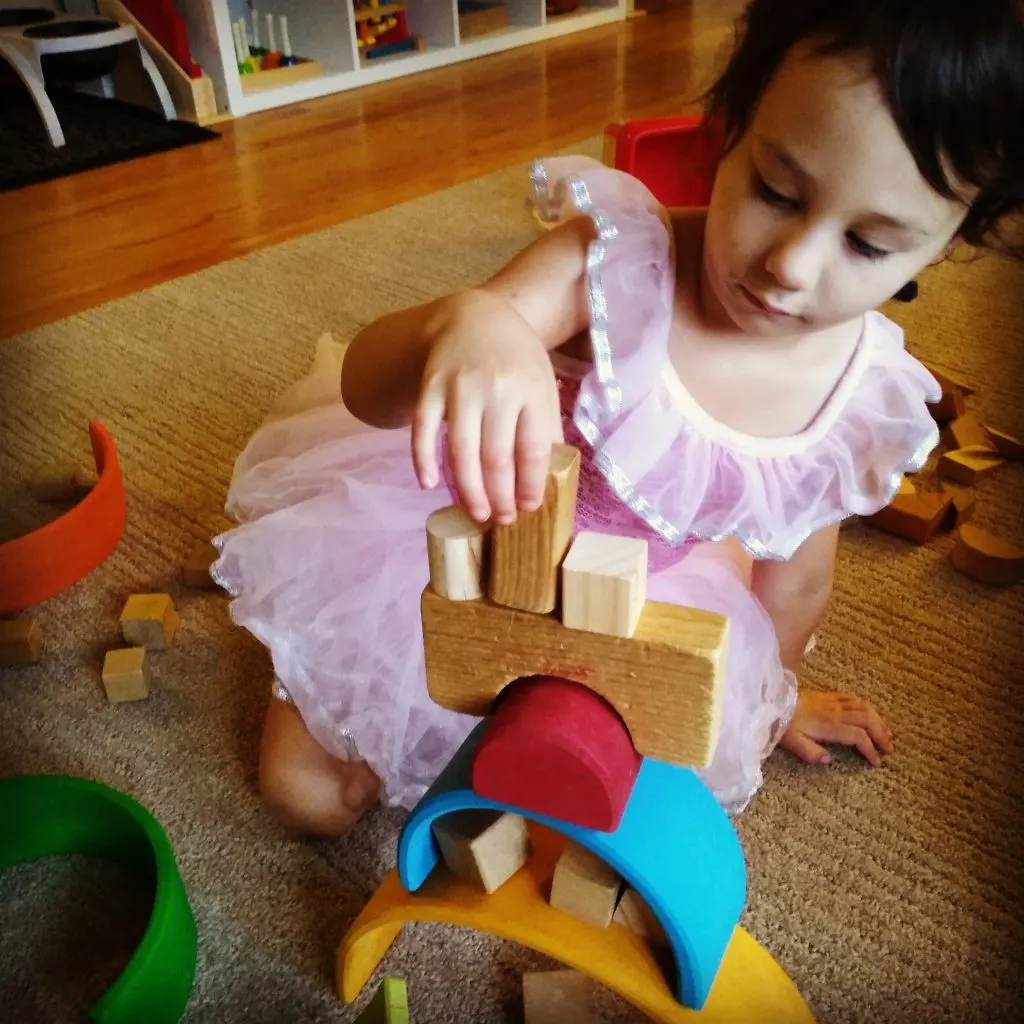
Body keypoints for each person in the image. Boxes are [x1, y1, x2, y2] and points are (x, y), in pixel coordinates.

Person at [212, 0, 1024, 837]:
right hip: (444, 543)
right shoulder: (614, 263)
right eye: (776, 192)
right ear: (729, 131)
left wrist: (771, 699)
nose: (791, 265)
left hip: (632, 605)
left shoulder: (857, 394)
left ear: (947, 243)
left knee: (585, 807)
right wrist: (471, 319)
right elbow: (364, 387)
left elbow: (798, 580)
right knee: (307, 798)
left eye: (869, 245)